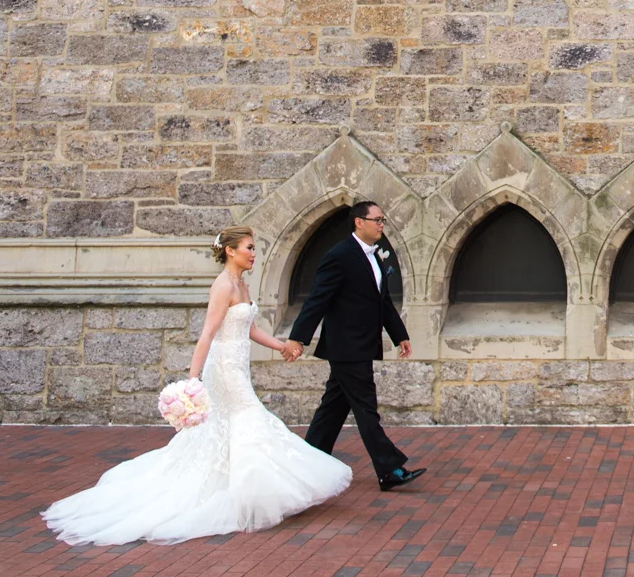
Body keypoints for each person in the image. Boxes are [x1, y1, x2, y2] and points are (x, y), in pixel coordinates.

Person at [42, 226, 352, 546]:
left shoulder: (242, 285)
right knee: (250, 418)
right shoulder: (222, 286)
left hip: (237, 365)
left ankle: (240, 486)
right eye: (248, 248)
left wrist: (282, 346)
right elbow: (207, 334)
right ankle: (253, 494)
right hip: (223, 369)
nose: (254, 253)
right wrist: (192, 381)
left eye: (254, 248)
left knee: (231, 425)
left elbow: (250, 329)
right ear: (230, 251)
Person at [284, 201, 424, 491]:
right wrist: (298, 338)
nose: (381, 224)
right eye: (376, 220)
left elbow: (381, 301)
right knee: (365, 408)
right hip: (346, 346)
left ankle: (308, 463)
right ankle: (389, 469)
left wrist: (399, 334)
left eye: (382, 219)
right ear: (359, 222)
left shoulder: (377, 257)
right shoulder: (339, 256)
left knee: (332, 409)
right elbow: (317, 299)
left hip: (362, 344)